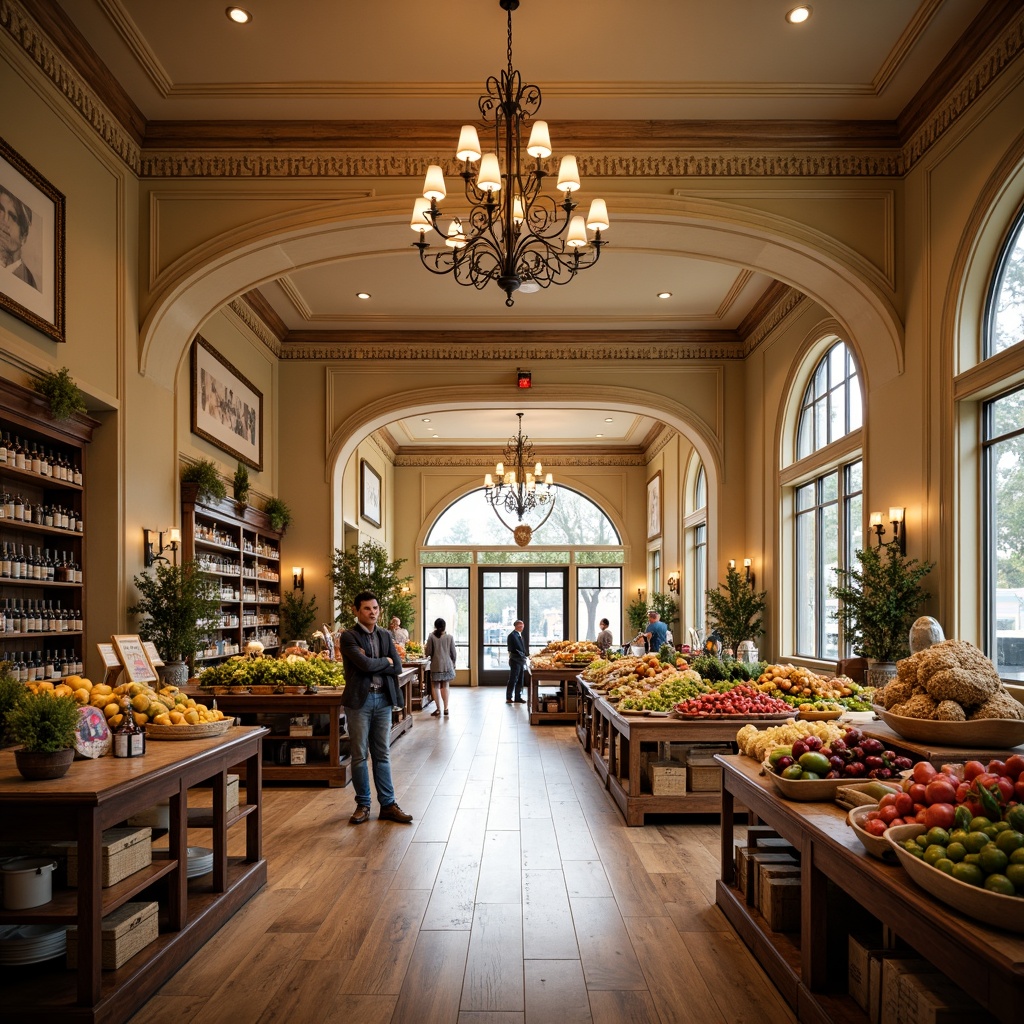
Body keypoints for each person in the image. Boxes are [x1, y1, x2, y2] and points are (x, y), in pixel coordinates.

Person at [339, 591, 414, 825]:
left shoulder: (384, 635)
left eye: (375, 608)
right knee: (360, 755)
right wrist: (385, 661)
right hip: (359, 702)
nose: (373, 612)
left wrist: (380, 663)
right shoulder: (349, 637)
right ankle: (363, 805)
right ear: (356, 611)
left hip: (382, 700)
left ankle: (388, 805)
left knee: (383, 754)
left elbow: (398, 666)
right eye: (367, 609)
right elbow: (363, 664)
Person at [0, 186, 39, 291]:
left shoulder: (28, 285)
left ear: (24, 236)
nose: (4, 219)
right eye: (1, 210)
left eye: (13, 217)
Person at [424, 617, 456, 717]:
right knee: (445, 686)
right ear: (444, 626)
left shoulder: (431, 637)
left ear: (435, 626)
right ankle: (446, 708)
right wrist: (453, 663)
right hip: (447, 665)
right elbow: (453, 653)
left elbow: (428, 652)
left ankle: (438, 709)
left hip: (436, 665)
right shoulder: (449, 637)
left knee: (435, 686)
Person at [506, 619, 528, 704]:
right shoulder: (512, 635)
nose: (522, 627)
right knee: (513, 679)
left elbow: (522, 648)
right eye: (520, 626)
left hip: (521, 660)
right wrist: (522, 656)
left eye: (522, 626)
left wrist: (525, 655)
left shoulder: (519, 635)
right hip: (515, 660)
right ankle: (509, 697)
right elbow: (513, 649)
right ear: (516, 626)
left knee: (520, 679)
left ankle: (518, 697)